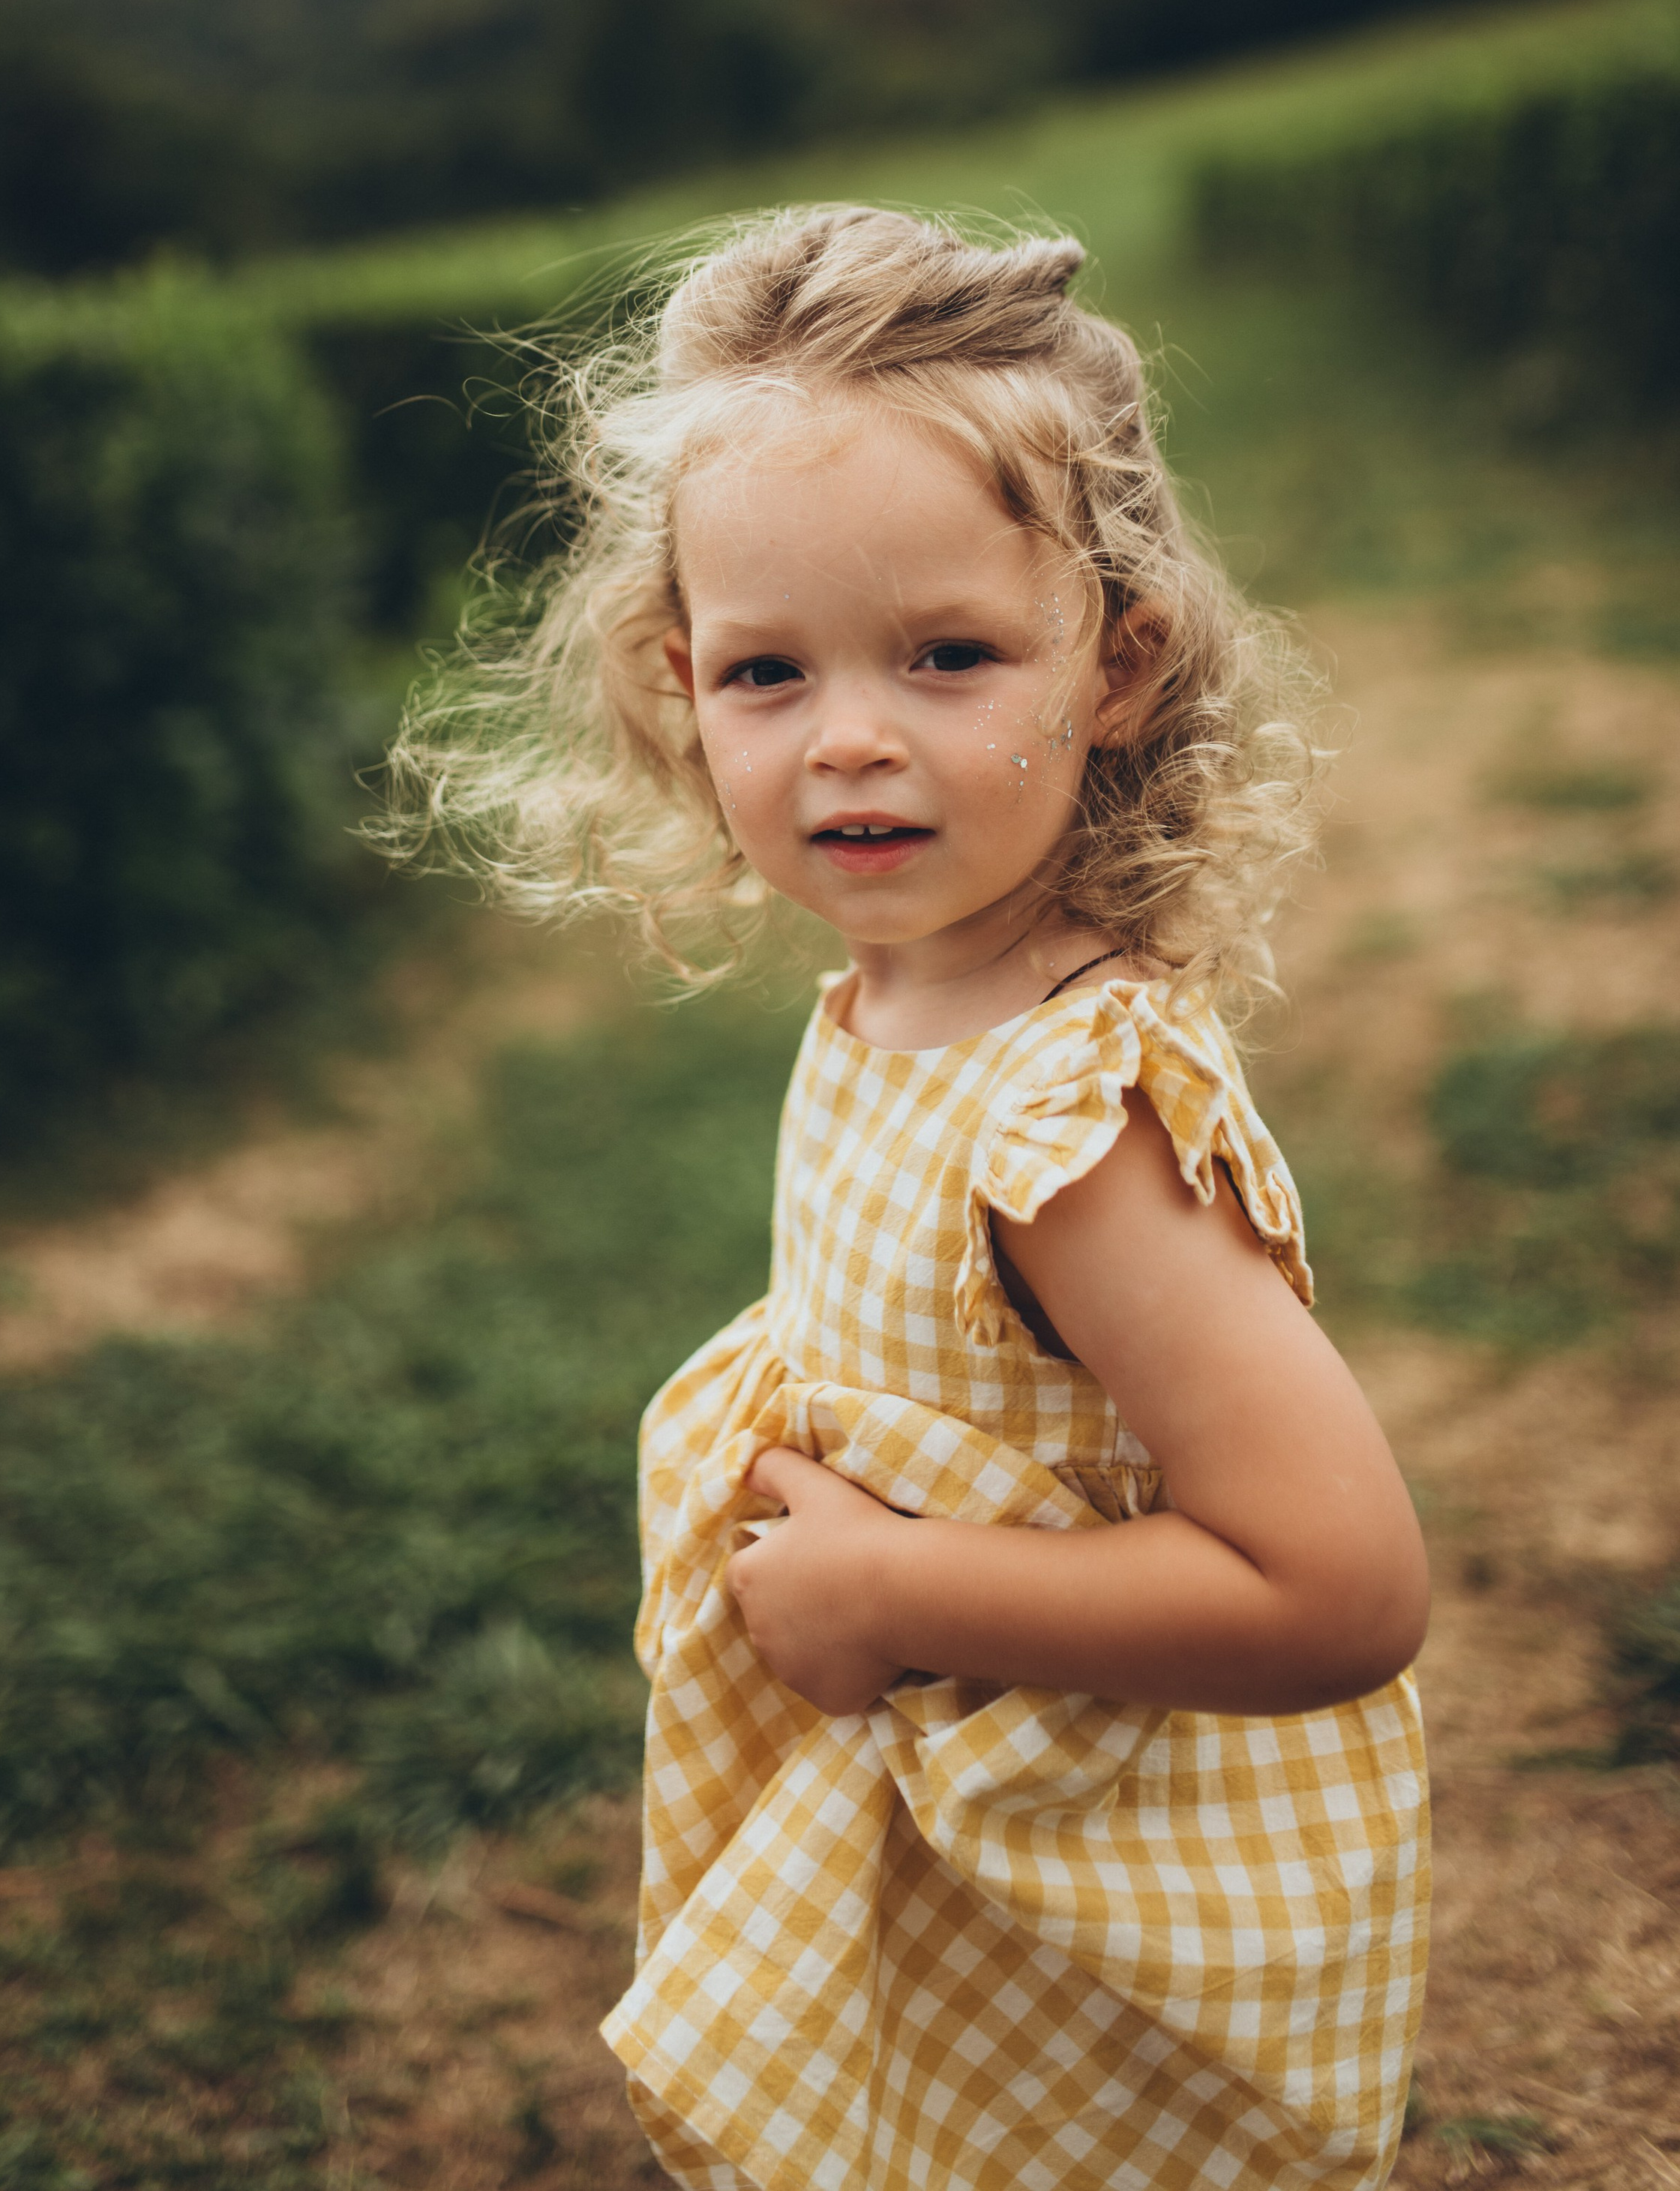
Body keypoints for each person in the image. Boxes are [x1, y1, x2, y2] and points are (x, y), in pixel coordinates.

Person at [386, 206, 1430, 2191]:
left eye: (948, 654)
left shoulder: (1074, 1126)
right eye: (772, 669)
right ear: (680, 680)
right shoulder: (900, 1001)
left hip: (1110, 1883)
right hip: (979, 1819)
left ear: (1112, 668)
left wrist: (892, 1588)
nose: (852, 733)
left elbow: (1341, 1585)